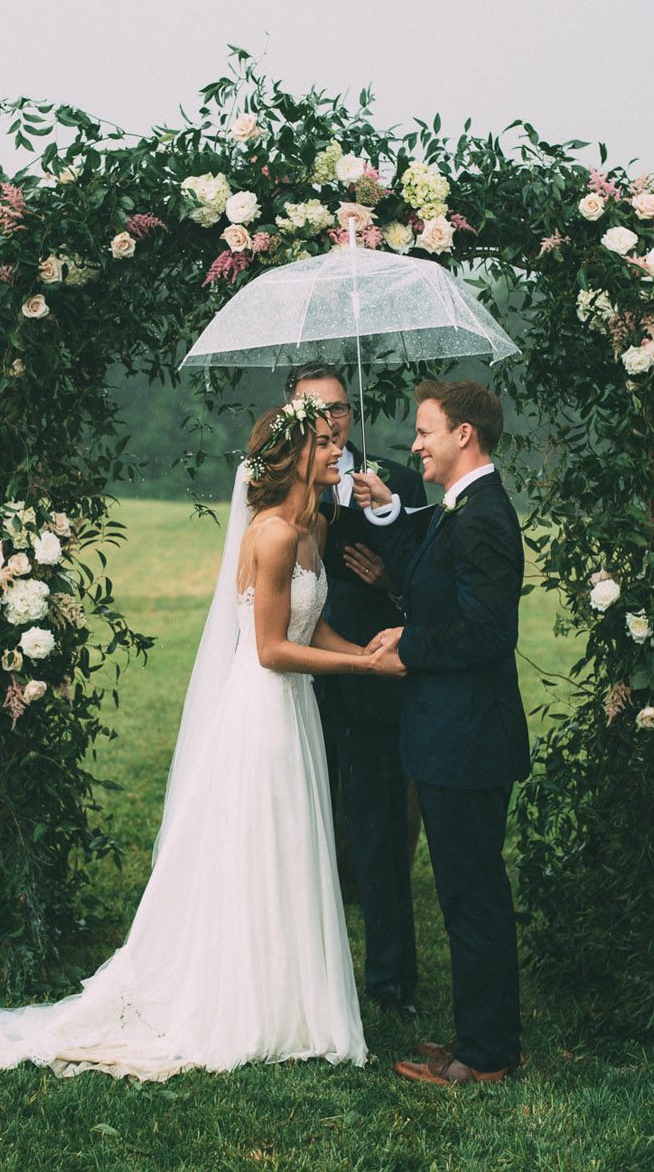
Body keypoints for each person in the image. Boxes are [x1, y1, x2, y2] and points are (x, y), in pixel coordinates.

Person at [0, 395, 399, 1081]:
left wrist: (364, 646)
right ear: (294, 457)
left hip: (294, 712)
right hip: (264, 712)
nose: (340, 451)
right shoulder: (273, 535)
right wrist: (365, 664)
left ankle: (297, 1004)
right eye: (328, 443)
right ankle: (244, 1004)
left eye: (338, 441)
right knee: (262, 848)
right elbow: (272, 650)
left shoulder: (313, 530)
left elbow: (309, 628)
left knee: (292, 848)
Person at [353, 379, 530, 1086]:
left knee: (473, 896)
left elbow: (487, 632)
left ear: (465, 435)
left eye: (425, 431)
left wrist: (409, 646)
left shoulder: (483, 516)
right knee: (466, 892)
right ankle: (477, 1035)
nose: (414, 443)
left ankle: (485, 1055)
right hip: (452, 736)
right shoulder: (462, 510)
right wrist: (408, 619)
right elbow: (444, 595)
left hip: (468, 741)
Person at [286, 363, 421, 1017]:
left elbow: (432, 578)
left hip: (371, 682)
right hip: (299, 685)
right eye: (314, 410)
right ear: (291, 415)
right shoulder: (279, 491)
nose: (329, 421)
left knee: (379, 832)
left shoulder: (396, 480)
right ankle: (307, 973)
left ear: (352, 410)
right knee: (299, 827)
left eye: (338, 407)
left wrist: (388, 579)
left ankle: (391, 981)